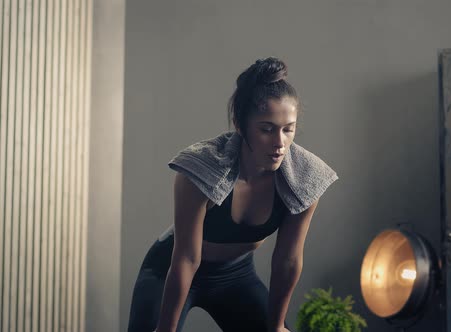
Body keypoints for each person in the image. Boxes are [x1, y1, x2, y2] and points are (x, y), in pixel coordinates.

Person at [127, 57, 338, 332]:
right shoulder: (199, 169)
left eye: (289, 129)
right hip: (169, 267)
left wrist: (275, 327)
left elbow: (287, 259)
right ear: (240, 124)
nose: (280, 143)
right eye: (267, 129)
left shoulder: (305, 179)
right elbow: (187, 258)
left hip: (235, 274)